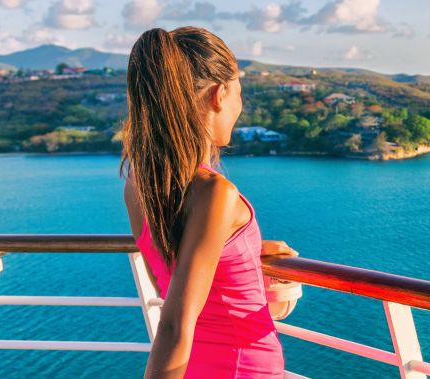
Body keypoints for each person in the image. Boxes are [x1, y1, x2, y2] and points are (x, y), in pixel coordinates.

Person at [119, 26, 297, 378]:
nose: (240, 107)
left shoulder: (140, 185)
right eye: (239, 94)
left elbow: (172, 279)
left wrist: (249, 252)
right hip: (240, 368)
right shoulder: (215, 193)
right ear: (220, 94)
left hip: (195, 366)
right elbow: (173, 326)